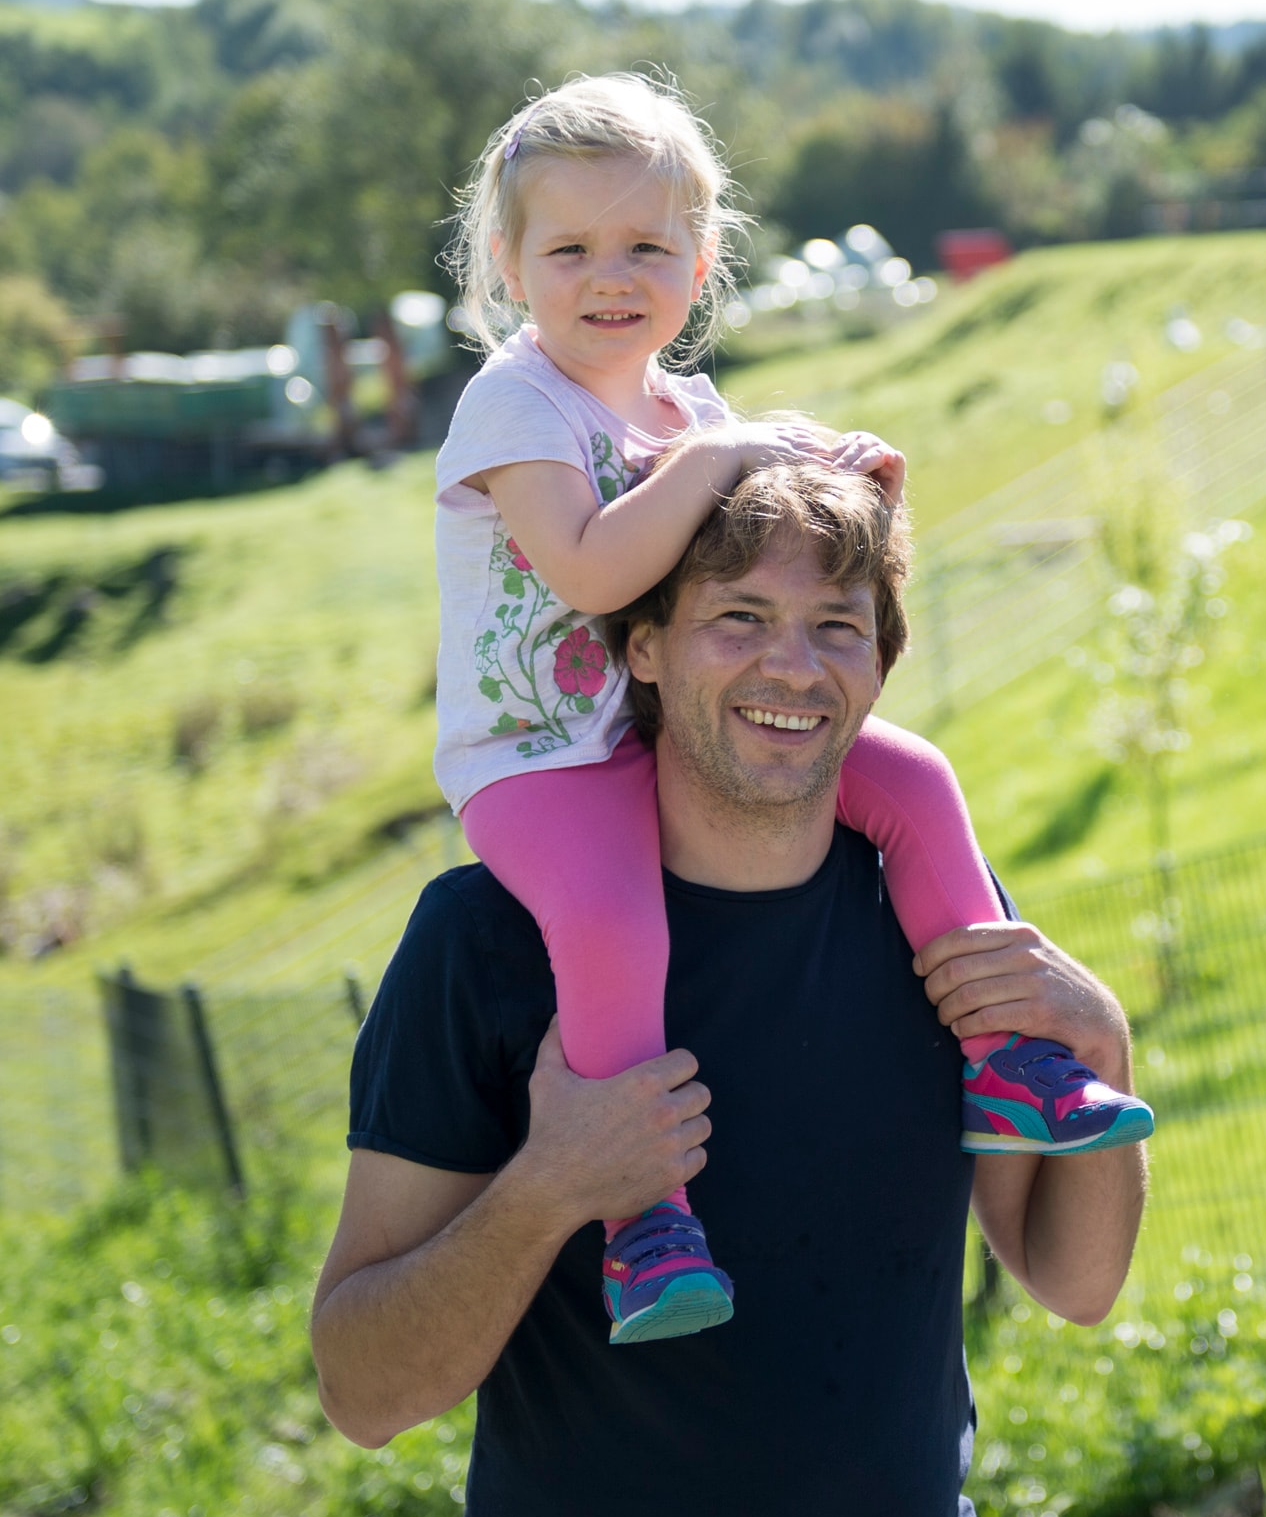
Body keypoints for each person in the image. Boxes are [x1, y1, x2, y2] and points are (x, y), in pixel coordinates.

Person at [313, 458, 1147, 1517]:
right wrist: (552, 1186)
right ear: (641, 645)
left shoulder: (939, 922)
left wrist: (1101, 1035)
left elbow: (1076, 1277)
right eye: (738, 617)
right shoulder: (487, 942)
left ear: (880, 659)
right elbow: (361, 1389)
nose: (792, 665)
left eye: (835, 625)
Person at [426, 75, 1150, 1342]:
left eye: (648, 244)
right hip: (540, 759)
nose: (612, 274)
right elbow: (596, 570)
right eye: (572, 247)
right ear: (508, 258)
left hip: (660, 736)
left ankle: (1012, 1061)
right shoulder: (514, 401)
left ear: (701, 262)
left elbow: (750, 550)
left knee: (917, 780)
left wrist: (839, 478)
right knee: (610, 916)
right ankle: (644, 1220)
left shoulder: (691, 412)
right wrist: (726, 453)